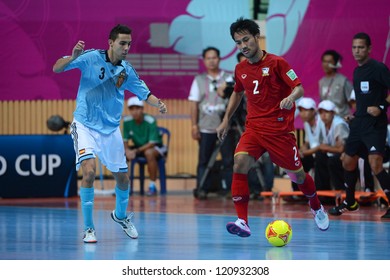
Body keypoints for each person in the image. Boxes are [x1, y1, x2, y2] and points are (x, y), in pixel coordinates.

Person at [52, 24, 168, 243]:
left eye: (129, 44)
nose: (126, 48)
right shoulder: (89, 57)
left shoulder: (127, 70)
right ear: (111, 43)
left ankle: (121, 216)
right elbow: (57, 68)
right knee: (88, 172)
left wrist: (158, 103)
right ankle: (88, 228)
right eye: (122, 43)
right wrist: (73, 56)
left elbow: (145, 93)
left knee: (123, 179)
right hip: (85, 125)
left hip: (111, 130)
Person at [216, 18, 329, 237]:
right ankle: (242, 221)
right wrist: (226, 120)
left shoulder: (278, 63)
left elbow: (299, 88)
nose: (243, 46)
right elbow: (237, 93)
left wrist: (290, 98)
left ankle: (316, 205)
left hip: (279, 132)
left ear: (257, 37)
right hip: (255, 128)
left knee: (298, 176)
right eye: (238, 43)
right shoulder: (240, 69)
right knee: (239, 162)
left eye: (246, 40)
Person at [328, 32, 390, 219]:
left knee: (375, 164)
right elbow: (363, 100)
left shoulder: (378, 68)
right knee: (347, 161)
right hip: (359, 123)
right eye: (354, 47)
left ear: (369, 49)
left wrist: (381, 106)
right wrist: (354, 116)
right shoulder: (356, 71)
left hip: (375, 126)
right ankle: (350, 201)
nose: (357, 51)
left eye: (361, 47)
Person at [189, 46, 235, 199]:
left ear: (219, 59)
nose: (211, 61)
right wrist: (194, 125)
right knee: (204, 159)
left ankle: (230, 189)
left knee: (229, 159)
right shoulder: (199, 80)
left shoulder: (229, 78)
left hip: (226, 127)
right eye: (208, 58)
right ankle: (202, 188)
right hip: (206, 127)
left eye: (214, 57)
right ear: (204, 61)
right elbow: (193, 103)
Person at [123, 97, 167, 196]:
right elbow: (125, 140)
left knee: (149, 153)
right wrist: (127, 151)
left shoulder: (150, 120)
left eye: (137, 108)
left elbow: (152, 143)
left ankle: (152, 186)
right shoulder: (127, 121)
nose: (134, 112)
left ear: (142, 109)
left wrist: (135, 151)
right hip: (138, 147)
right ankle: (123, 186)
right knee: (121, 154)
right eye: (132, 109)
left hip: (156, 146)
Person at [315, 100, 349, 193]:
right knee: (319, 156)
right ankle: (322, 191)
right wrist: (324, 148)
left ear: (333, 113)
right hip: (333, 153)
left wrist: (325, 148)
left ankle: (340, 190)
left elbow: (341, 149)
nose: (323, 115)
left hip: (347, 154)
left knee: (333, 161)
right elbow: (322, 145)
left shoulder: (339, 125)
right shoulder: (322, 124)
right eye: (321, 112)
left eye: (326, 112)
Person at [319, 49, 354, 118]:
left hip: (341, 120)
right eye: (324, 61)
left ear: (336, 63)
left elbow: (353, 103)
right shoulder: (321, 82)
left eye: (329, 62)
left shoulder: (344, 81)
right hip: (327, 122)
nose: (326, 64)